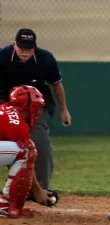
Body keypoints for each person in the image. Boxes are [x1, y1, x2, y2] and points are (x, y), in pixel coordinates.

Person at [0, 28, 71, 190]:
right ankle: (16, 185)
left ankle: (41, 189)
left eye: (30, 49)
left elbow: (56, 84)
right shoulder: (2, 56)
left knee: (40, 143)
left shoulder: (45, 58)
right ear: (14, 44)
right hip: (4, 99)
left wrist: (64, 110)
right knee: (6, 141)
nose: (25, 52)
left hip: (33, 103)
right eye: (22, 48)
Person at [0, 85, 54, 218]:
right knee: (27, 150)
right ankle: (8, 207)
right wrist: (37, 190)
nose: (39, 111)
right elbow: (26, 157)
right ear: (29, 106)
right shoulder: (18, 124)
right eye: (38, 107)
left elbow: (13, 159)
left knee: (22, 152)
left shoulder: (5, 108)